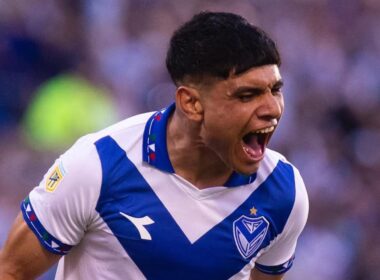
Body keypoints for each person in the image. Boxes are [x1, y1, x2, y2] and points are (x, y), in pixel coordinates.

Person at [0, 11, 308, 280]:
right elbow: (11, 272)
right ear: (191, 103)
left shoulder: (283, 191)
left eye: (275, 90)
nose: (272, 108)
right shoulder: (100, 164)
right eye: (246, 95)